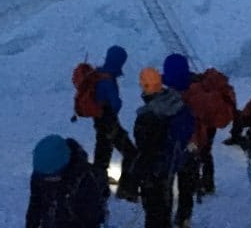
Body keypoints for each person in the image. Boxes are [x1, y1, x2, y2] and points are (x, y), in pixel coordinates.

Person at [132, 56, 196, 228]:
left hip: (158, 170)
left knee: (156, 211)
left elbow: (145, 150)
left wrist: (136, 175)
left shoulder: (148, 115)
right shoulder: (176, 101)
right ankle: (183, 218)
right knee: (177, 195)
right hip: (180, 157)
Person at [25, 135, 107, 228]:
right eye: (44, 178)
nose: (46, 182)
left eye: (52, 178)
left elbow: (91, 220)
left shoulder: (84, 183)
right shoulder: (41, 173)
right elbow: (36, 203)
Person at [89, 45, 138, 199]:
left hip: (99, 121)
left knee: (103, 151)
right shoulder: (108, 81)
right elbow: (115, 104)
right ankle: (126, 188)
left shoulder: (98, 75)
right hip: (109, 122)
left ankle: (97, 183)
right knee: (131, 153)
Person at [181, 68, 237, 196]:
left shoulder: (194, 91)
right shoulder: (208, 86)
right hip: (212, 123)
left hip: (203, 124)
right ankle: (208, 184)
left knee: (197, 153)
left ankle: (198, 183)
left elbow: (195, 114)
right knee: (206, 153)